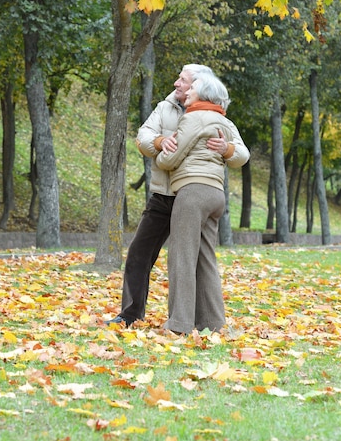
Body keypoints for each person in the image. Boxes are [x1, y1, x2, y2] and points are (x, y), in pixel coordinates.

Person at [106, 64, 249, 327]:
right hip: (164, 195)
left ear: (199, 85)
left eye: (183, 81)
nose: (176, 84)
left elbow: (242, 154)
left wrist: (227, 149)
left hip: (191, 194)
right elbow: (143, 137)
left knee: (189, 259)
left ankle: (188, 322)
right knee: (139, 253)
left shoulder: (215, 116)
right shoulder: (165, 108)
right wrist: (161, 141)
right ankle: (130, 314)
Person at [156, 73, 250, 334]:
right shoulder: (224, 120)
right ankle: (213, 322)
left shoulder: (194, 117)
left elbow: (170, 159)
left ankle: (179, 324)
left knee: (182, 257)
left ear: (204, 94)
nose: (188, 91)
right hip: (216, 195)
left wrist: (162, 155)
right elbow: (243, 155)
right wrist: (227, 150)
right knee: (206, 259)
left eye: (193, 87)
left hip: (192, 193)